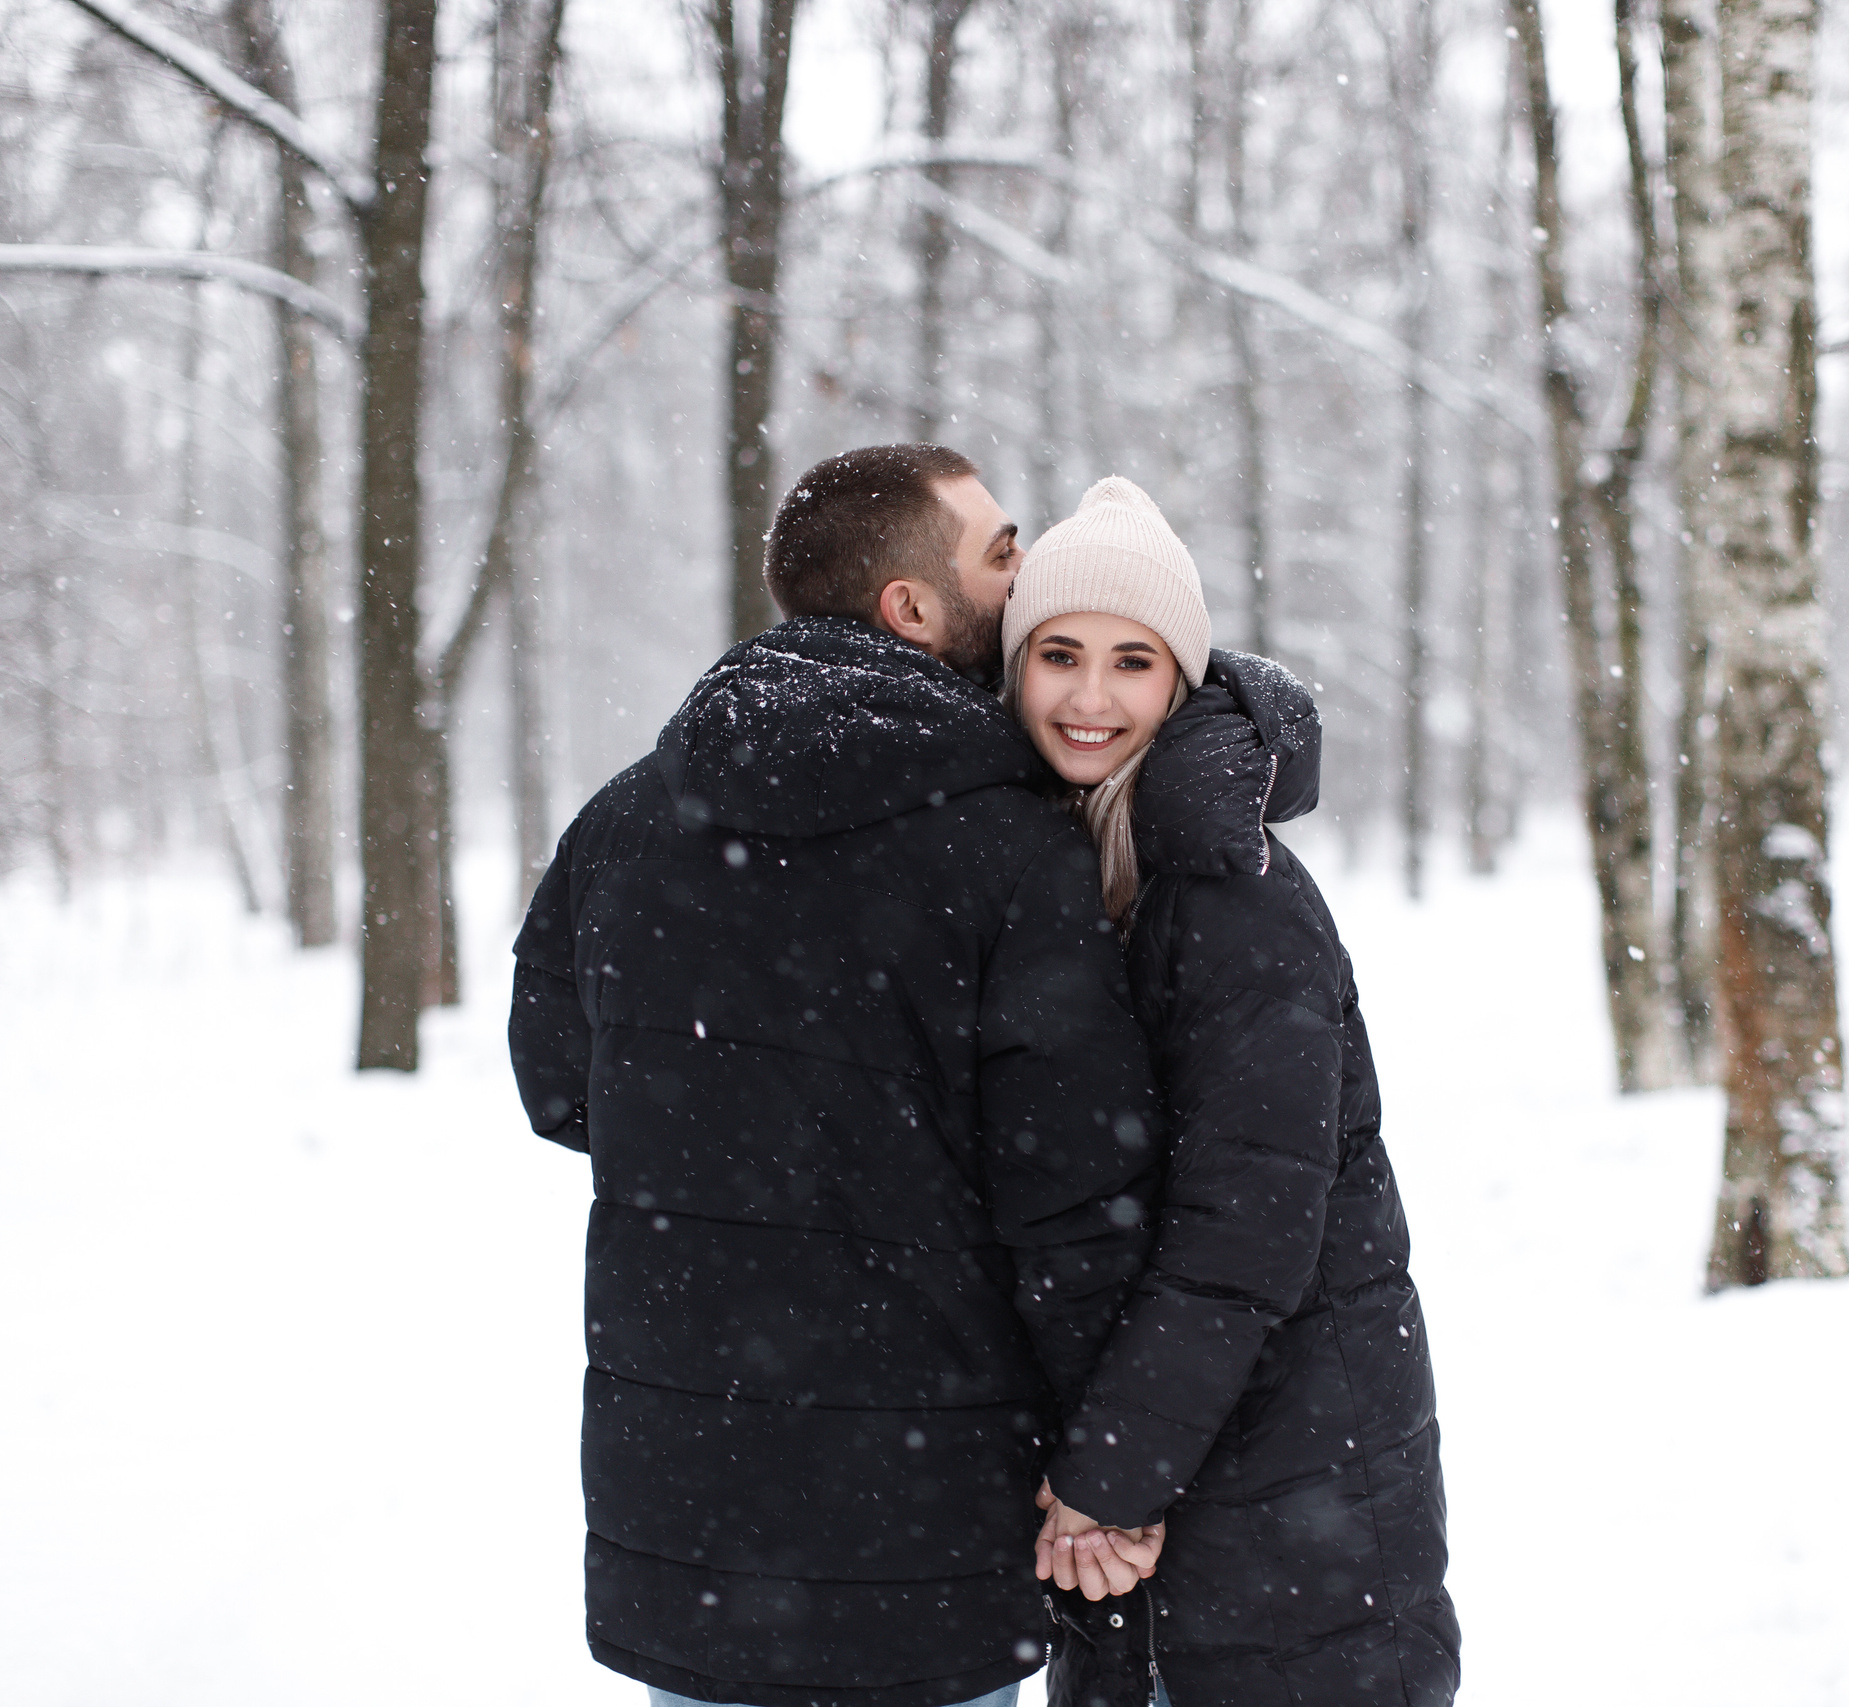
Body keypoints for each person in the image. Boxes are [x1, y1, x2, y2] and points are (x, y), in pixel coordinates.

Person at [508, 445, 1165, 1707]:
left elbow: (561, 1089)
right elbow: (1076, 1192)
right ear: (908, 609)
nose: (1024, 573)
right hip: (921, 1511)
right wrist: (1116, 1467)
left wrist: (743, 1158)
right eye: (1000, 549)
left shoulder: (628, 820)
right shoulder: (1012, 845)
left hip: (695, 1502)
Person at [1010, 479, 1458, 1707]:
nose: (1090, 698)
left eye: (1131, 662)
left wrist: (1112, 1475)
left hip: (1290, 1483)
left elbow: (1246, 1224)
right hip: (1190, 1480)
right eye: (1058, 655)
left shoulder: (1227, 894)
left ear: (1180, 682)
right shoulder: (1073, 867)